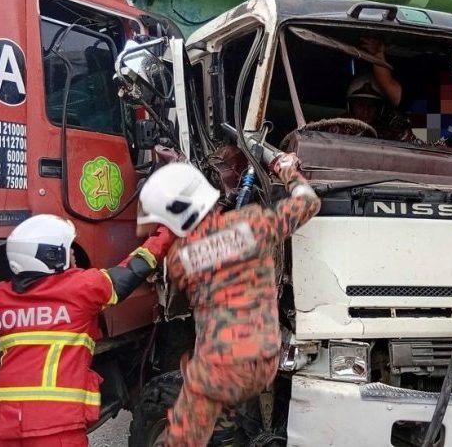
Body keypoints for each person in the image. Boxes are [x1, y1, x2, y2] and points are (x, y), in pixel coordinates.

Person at [137, 152, 320, 447]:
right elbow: (308, 203)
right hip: (263, 364)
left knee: (183, 438)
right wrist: (288, 172)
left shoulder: (180, 259)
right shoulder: (251, 224)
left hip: (217, 372)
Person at [0, 214, 176, 447]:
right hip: (55, 426)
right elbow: (133, 270)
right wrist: (168, 232)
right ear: (52, 256)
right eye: (67, 248)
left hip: (5, 428)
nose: (72, 254)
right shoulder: (80, 288)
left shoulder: (0, 297)